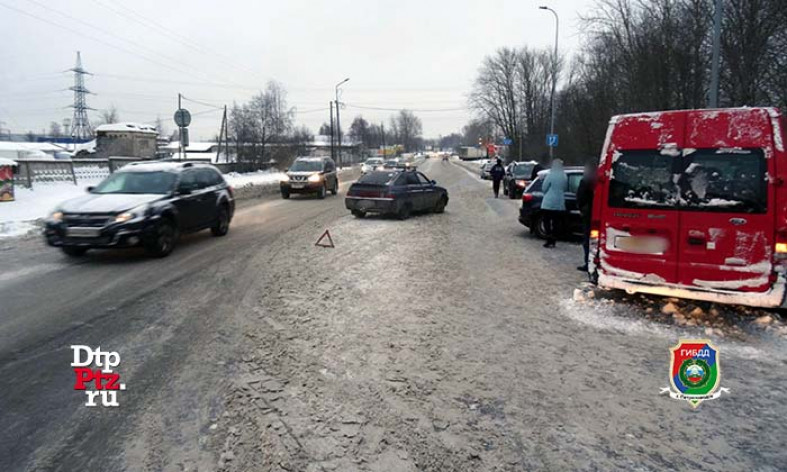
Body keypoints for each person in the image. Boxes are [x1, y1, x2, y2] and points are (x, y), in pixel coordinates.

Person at [540, 158, 567, 248]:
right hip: (559, 203)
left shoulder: (550, 175)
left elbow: (544, 188)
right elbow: (565, 188)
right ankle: (554, 239)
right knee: (556, 223)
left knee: (546, 222)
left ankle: (549, 238)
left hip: (548, 203)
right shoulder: (564, 176)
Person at [576, 161, 597, 271]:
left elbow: (580, 196)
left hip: (588, 213)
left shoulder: (585, 181)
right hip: (598, 213)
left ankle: (588, 262)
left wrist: (581, 208)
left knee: (588, 239)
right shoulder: (599, 180)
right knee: (596, 240)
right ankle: (595, 261)